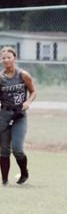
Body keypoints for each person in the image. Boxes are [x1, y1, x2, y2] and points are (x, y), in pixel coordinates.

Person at [0, 47, 37, 186]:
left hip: (19, 115)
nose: (6, 60)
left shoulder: (23, 75)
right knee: (4, 149)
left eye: (9, 57)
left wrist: (28, 102)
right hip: (4, 115)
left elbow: (33, 91)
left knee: (17, 148)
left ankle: (24, 172)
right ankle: (4, 180)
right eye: (3, 58)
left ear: (14, 58)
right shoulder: (1, 78)